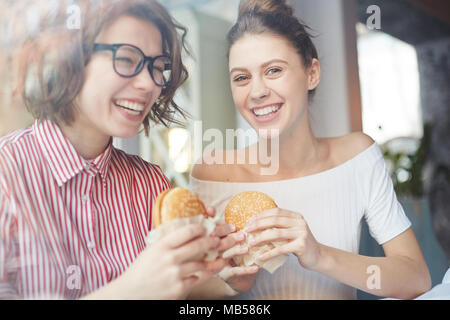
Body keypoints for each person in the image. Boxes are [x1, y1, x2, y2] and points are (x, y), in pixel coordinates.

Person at [191, 0, 432, 299]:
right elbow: (191, 294)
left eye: (274, 70)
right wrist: (230, 285)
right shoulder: (213, 173)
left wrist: (320, 256)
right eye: (241, 77)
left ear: (312, 73)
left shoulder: (357, 155)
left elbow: (416, 278)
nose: (257, 92)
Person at [0, 0, 238, 300]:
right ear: (70, 59)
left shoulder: (150, 183)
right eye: (126, 59)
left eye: (158, 68)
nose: (148, 83)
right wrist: (132, 290)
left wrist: (227, 275)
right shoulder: (7, 175)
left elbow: (183, 291)